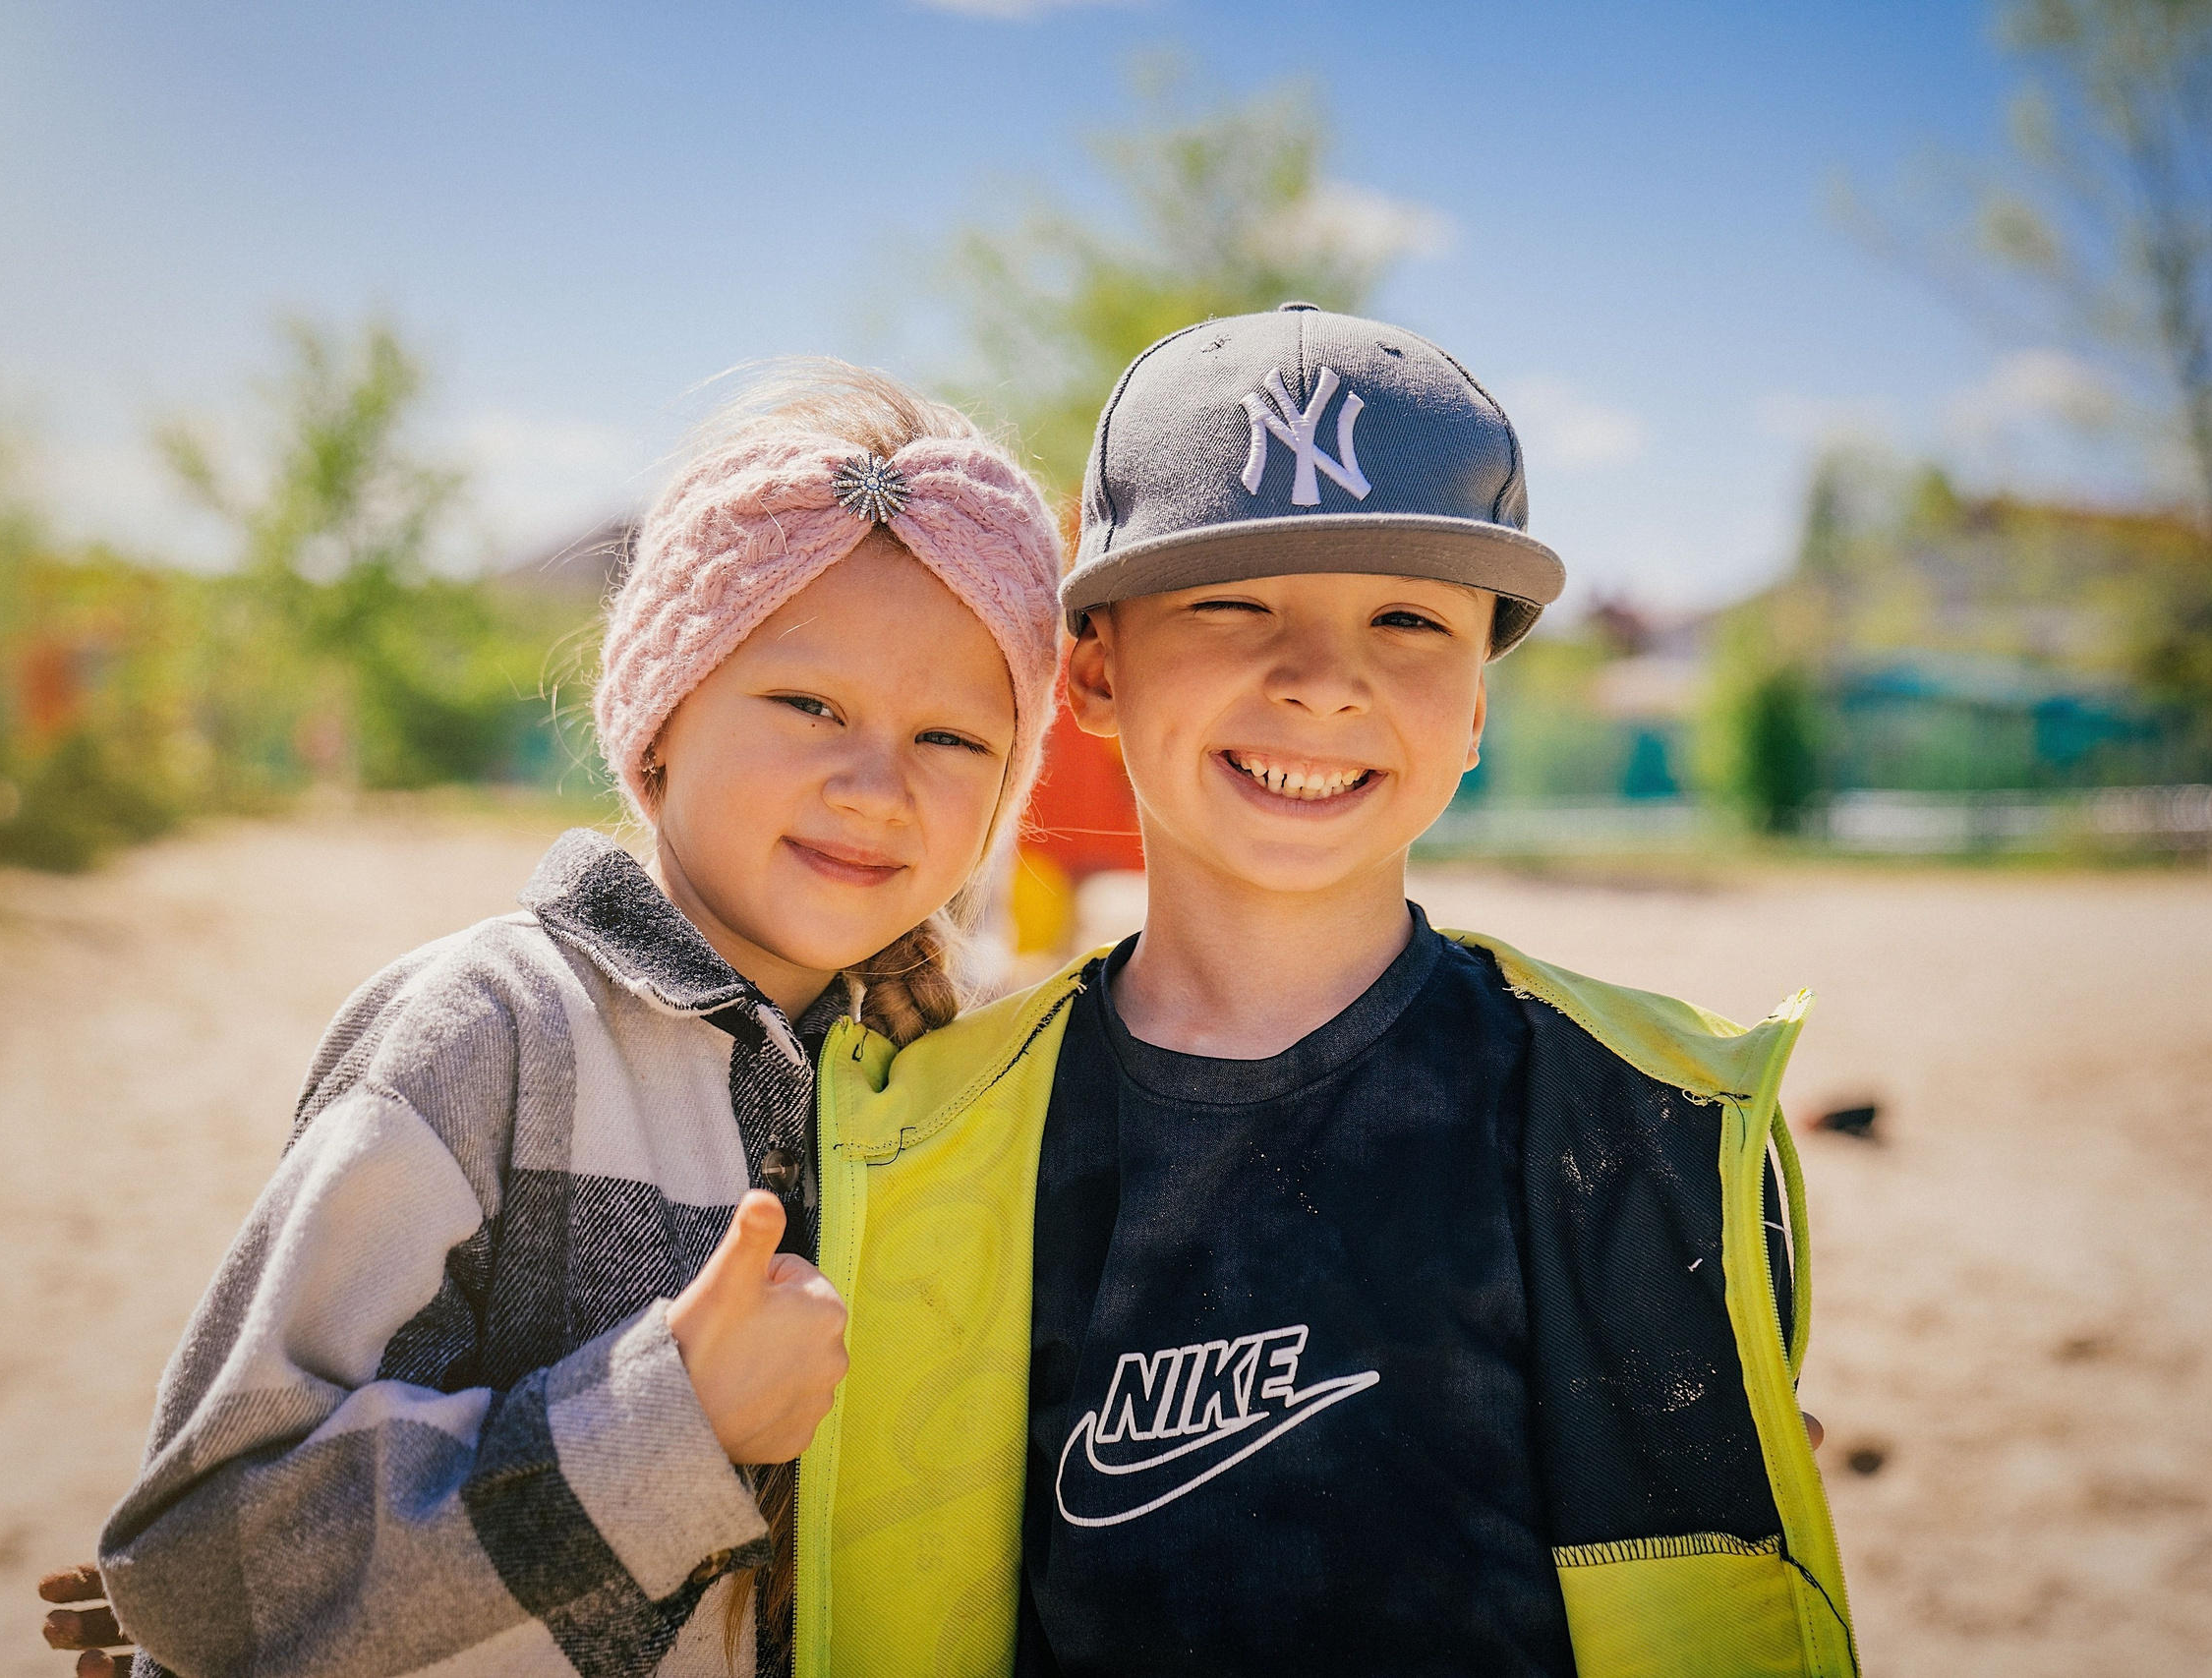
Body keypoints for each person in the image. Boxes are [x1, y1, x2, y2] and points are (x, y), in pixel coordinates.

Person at [783, 306, 1861, 1677]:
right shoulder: (932, 1129)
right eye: (1234, 601)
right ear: (1097, 668)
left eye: (1406, 619)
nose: (1323, 681)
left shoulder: (1641, 1121)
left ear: (1475, 705)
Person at [48, 361, 1065, 1678]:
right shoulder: (481, 1036)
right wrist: (669, 1424)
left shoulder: (970, 1085)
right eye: (809, 704)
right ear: (658, 724)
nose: (875, 787)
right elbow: (202, 1571)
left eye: (952, 739)